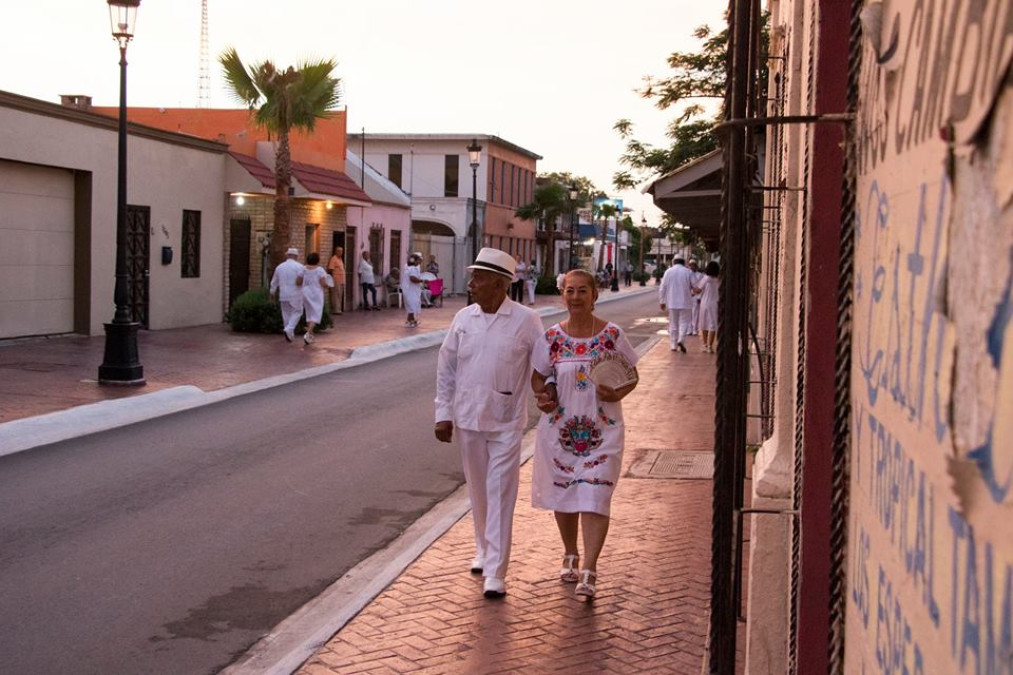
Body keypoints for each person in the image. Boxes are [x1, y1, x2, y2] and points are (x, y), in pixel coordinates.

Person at [434, 247, 544, 599]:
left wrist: (552, 397)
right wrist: (443, 413)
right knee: (478, 491)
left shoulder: (527, 320)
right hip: (468, 418)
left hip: (505, 421)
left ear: (499, 284)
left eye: (478, 278)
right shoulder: (464, 319)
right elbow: (447, 367)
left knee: (500, 493)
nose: (471, 284)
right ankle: (483, 549)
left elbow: (543, 366)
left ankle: (496, 571)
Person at [530, 269, 640, 600]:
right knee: (565, 495)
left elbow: (631, 375)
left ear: (595, 295)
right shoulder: (551, 337)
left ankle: (590, 568)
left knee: (596, 494)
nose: (575, 297)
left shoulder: (612, 335)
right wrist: (545, 394)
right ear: (562, 295)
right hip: (559, 432)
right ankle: (570, 552)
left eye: (582, 291)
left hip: (603, 431)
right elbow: (538, 377)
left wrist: (617, 392)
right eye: (570, 291)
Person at [269, 247, 305, 343]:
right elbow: (302, 280)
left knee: (286, 313)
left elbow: (274, 282)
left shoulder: (279, 267)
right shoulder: (300, 267)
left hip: (283, 294)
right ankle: (289, 329)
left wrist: (272, 293)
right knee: (298, 311)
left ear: (287, 255)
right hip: (296, 294)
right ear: (296, 256)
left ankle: (289, 334)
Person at [659, 257, 695, 353]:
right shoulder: (688, 272)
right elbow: (695, 286)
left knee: (673, 324)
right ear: (684, 263)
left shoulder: (668, 272)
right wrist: (693, 292)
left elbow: (662, 287)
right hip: (686, 302)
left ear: (673, 263)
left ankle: (673, 345)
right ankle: (681, 340)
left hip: (672, 302)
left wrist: (662, 301)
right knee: (684, 322)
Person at [300, 252, 333, 344]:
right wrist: (328, 285)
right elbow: (323, 283)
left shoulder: (303, 269)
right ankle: (308, 333)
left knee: (309, 313)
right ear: (317, 260)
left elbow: (298, 281)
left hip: (305, 292)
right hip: (316, 293)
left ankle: (310, 337)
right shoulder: (320, 270)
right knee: (316, 313)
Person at [695, 260, 721, 353]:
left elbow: (698, 290)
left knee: (704, 323)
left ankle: (705, 344)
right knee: (712, 324)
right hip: (715, 302)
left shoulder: (705, 279)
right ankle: (710, 346)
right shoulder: (719, 280)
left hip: (705, 303)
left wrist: (693, 289)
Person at [402, 254, 424, 327]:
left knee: (411, 306)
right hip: (411, 290)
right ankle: (410, 321)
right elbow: (412, 278)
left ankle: (411, 320)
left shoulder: (409, 268)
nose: (419, 262)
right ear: (415, 261)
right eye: (418, 260)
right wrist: (422, 281)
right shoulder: (413, 269)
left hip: (409, 289)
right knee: (412, 305)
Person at [326, 246, 345, 315]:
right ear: (336, 251)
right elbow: (330, 269)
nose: (341, 252)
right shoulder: (334, 259)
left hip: (341, 280)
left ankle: (339, 309)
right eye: (339, 251)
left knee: (340, 295)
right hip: (336, 279)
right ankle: (336, 310)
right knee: (336, 295)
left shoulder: (340, 259)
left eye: (342, 251)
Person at [687, 260, 703, 336]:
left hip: (696, 296)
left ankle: (694, 329)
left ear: (696, 266)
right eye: (690, 265)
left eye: (693, 265)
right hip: (688, 296)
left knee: (695, 314)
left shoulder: (700, 275)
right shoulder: (687, 274)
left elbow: (701, 287)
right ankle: (689, 329)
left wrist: (699, 297)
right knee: (688, 313)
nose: (691, 267)